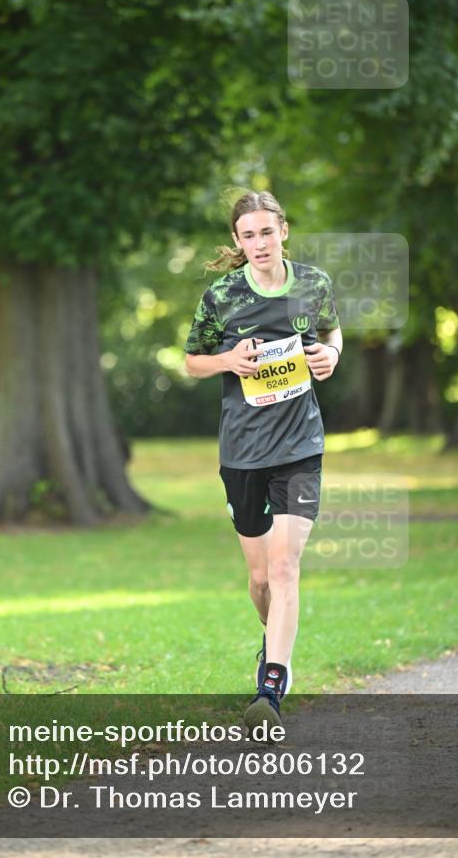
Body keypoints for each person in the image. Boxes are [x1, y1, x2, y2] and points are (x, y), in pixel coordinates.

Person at [183, 189, 342, 731]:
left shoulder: (313, 284)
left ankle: (270, 686)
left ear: (284, 230)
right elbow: (191, 362)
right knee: (260, 580)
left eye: (266, 232)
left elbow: (330, 331)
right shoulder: (221, 296)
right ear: (237, 241)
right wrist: (227, 359)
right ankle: (273, 638)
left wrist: (331, 354)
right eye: (247, 235)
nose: (258, 243)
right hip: (243, 451)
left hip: (300, 447)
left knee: (284, 565)